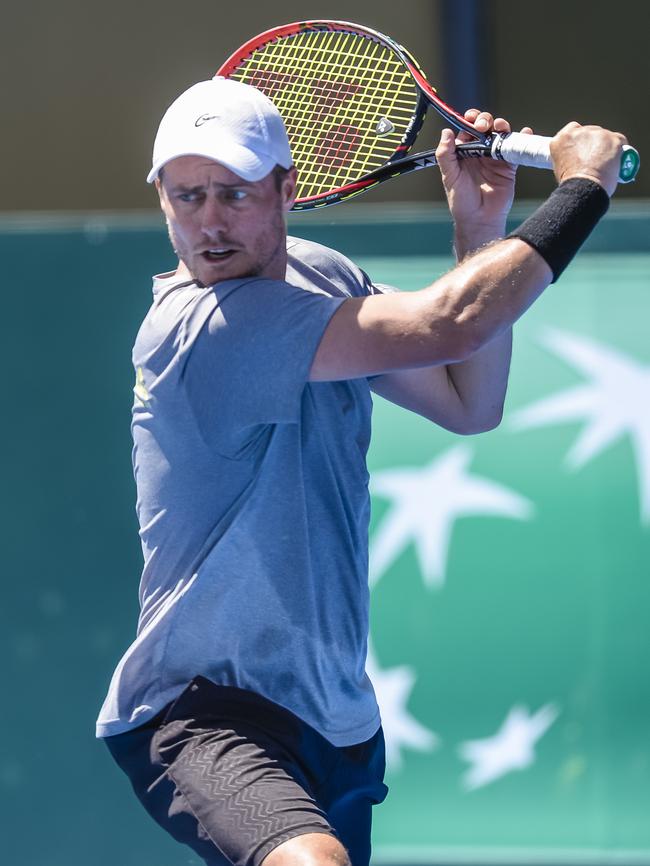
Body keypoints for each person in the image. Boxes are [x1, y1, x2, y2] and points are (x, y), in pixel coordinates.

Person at [97, 77, 626, 866]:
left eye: (233, 194)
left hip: (336, 720)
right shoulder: (203, 327)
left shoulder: (320, 274)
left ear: (287, 187)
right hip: (206, 708)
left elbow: (466, 399)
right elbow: (450, 322)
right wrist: (583, 188)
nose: (207, 222)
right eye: (185, 197)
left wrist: (478, 226)